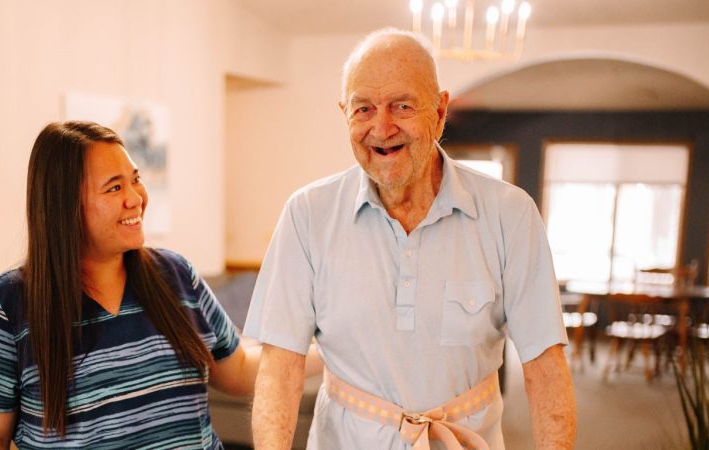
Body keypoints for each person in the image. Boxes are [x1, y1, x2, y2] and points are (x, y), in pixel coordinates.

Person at [244, 29, 576, 450]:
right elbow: (281, 368)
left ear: (439, 113)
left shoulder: (511, 214)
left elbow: (545, 368)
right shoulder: (307, 214)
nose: (381, 128)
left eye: (402, 106)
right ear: (344, 113)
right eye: (363, 109)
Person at [0, 121, 260, 449]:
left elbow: (238, 370)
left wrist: (321, 348)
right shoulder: (5, 309)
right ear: (65, 205)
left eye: (136, 180)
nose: (136, 199)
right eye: (114, 188)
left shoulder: (176, 275)